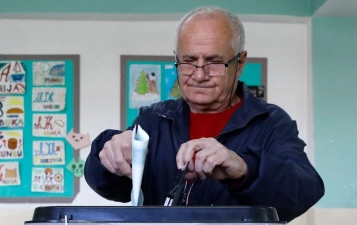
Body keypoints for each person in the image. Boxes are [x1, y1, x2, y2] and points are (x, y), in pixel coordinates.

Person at [85, 6, 324, 222]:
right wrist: (107, 156)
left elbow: (304, 192)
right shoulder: (153, 120)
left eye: (214, 62)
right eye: (188, 61)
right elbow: (111, 188)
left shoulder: (270, 122)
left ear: (240, 63)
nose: (199, 75)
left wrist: (243, 168)